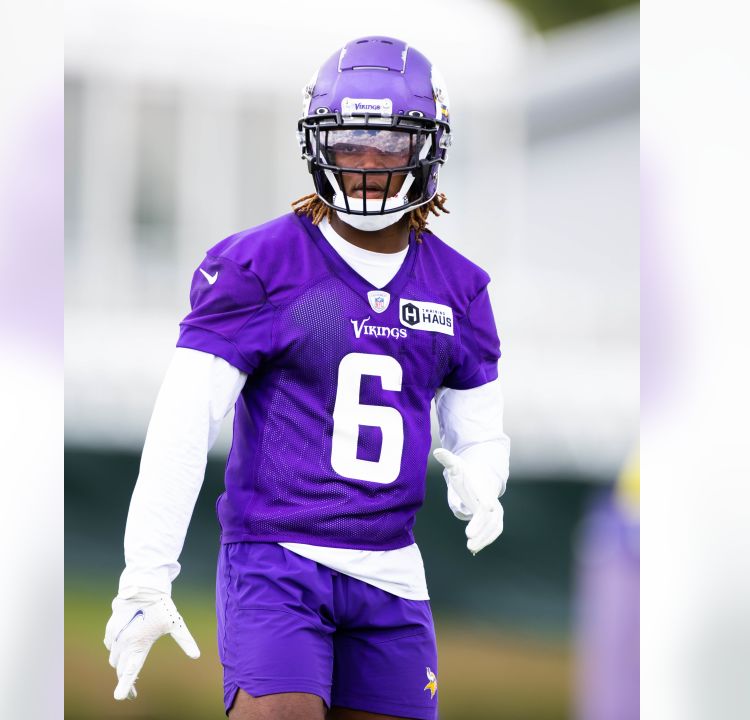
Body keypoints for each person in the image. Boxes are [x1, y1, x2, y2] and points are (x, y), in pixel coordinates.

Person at [103, 35, 510, 720]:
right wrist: (146, 571)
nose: (367, 164)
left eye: (389, 142)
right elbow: (182, 419)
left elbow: (483, 433)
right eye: (350, 142)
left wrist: (484, 480)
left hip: (392, 569)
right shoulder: (260, 266)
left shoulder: (459, 289)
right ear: (318, 144)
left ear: (428, 148)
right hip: (277, 561)